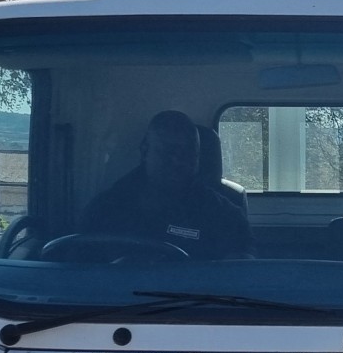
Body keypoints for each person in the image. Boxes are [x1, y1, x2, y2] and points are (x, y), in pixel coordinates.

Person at [80, 110, 250, 260]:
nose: (178, 161)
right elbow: (81, 273)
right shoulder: (105, 209)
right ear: (145, 151)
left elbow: (239, 275)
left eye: (189, 153)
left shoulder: (224, 215)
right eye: (168, 151)